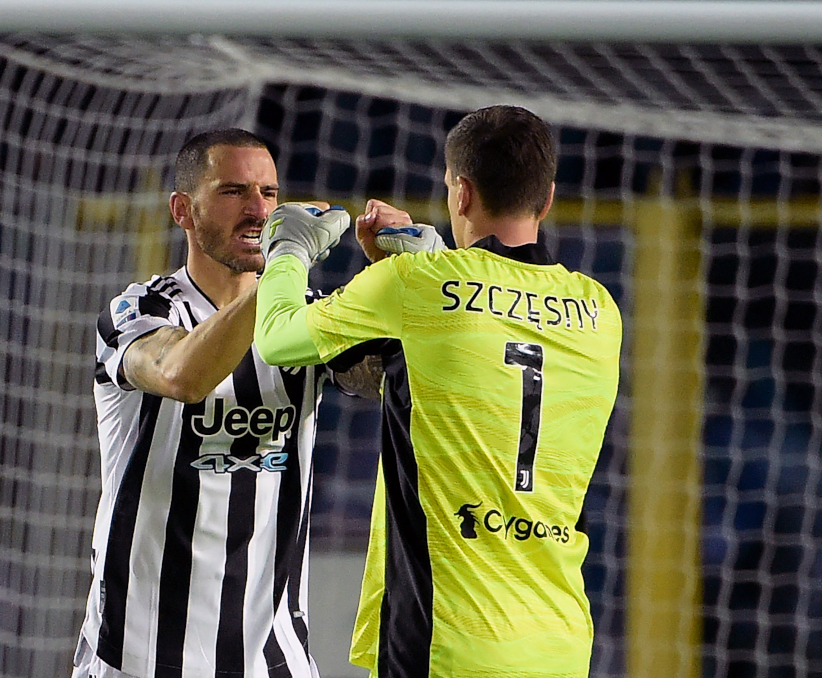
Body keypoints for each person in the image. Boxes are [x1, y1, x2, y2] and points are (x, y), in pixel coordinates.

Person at [253, 105, 623, 678]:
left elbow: (277, 339)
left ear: (462, 192)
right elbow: (486, 341)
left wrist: (287, 252)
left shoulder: (416, 285)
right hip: (559, 640)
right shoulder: (600, 310)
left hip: (447, 641)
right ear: (546, 199)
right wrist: (429, 261)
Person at [73, 128, 379, 678]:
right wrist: (282, 269)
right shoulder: (138, 311)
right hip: (142, 655)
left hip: (272, 657)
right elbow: (181, 374)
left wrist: (399, 278)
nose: (258, 210)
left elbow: (379, 381)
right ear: (182, 211)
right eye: (234, 192)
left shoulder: (305, 317)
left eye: (268, 193)